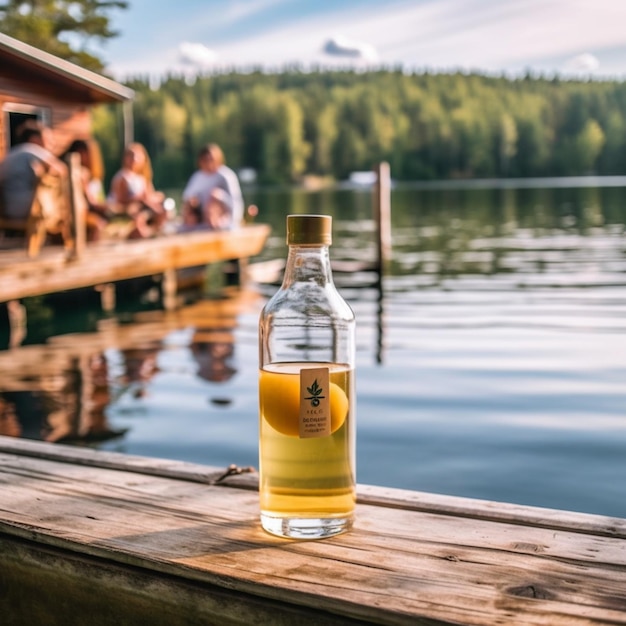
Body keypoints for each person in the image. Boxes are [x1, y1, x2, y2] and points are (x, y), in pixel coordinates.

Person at [0, 122, 67, 223]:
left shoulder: (12, 154)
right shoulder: (30, 149)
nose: (52, 145)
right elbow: (62, 169)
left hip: (8, 208)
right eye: (48, 140)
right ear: (34, 140)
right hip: (26, 208)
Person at [108, 142, 166, 238]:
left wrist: (155, 198)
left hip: (139, 208)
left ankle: (155, 231)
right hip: (124, 212)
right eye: (131, 156)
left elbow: (148, 195)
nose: (134, 159)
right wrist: (139, 198)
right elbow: (120, 201)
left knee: (161, 209)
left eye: (136, 157)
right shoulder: (122, 177)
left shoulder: (141, 178)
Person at [181, 143, 244, 231]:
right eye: (205, 160)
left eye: (211, 159)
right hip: (202, 216)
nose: (208, 163)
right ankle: (189, 228)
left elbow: (235, 202)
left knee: (214, 196)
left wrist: (234, 221)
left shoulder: (225, 175)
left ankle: (214, 226)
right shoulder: (197, 176)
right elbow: (186, 197)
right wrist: (192, 200)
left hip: (223, 216)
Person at [63, 138, 110, 241]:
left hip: (77, 211)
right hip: (71, 214)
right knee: (97, 224)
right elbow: (90, 201)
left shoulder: (86, 175)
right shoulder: (78, 173)